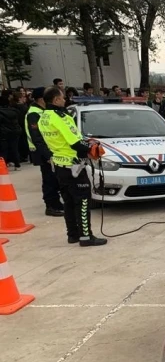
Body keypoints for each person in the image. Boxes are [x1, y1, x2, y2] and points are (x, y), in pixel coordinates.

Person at [39, 85, 107, 246]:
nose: (65, 100)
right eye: (62, 98)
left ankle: (73, 234)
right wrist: (92, 148)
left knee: (69, 202)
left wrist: (87, 141)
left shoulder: (44, 117)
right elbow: (75, 142)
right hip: (73, 166)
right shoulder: (59, 117)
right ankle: (86, 236)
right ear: (56, 100)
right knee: (83, 200)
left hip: (60, 165)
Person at [25, 87, 65, 217]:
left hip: (50, 151)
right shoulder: (34, 114)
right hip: (42, 152)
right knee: (49, 180)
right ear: (41, 99)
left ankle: (56, 204)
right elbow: (37, 137)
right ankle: (51, 206)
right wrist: (47, 155)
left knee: (54, 179)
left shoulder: (43, 112)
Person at [0, 92, 22, 170]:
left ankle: (3, 166)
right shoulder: (14, 110)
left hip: (4, 133)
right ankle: (17, 164)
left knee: (4, 150)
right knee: (15, 149)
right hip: (15, 131)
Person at [13, 90, 30, 163]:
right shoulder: (23, 107)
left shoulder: (13, 106)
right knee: (24, 142)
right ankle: (24, 156)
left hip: (17, 127)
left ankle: (21, 156)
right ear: (19, 98)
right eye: (23, 97)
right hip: (23, 126)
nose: (25, 98)